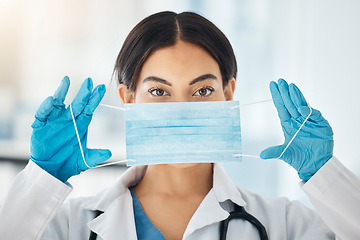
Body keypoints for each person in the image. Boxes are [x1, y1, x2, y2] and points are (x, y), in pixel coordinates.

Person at [0, 11, 359, 240]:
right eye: (159, 91)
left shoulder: (283, 224)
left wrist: (325, 173)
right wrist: (41, 178)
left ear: (229, 93)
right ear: (128, 98)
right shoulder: (70, 227)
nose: (183, 109)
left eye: (203, 90)